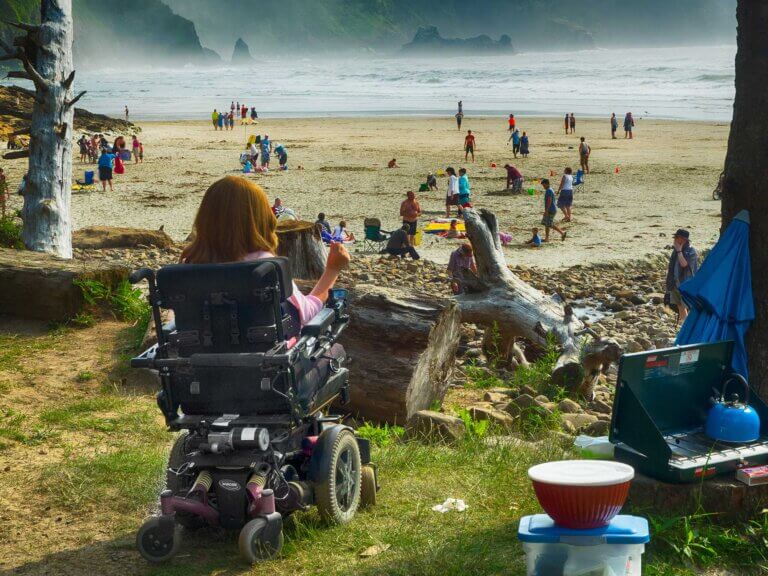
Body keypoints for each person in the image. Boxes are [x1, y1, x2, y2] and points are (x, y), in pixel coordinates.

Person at [181, 176, 350, 328]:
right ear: (261, 219)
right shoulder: (265, 266)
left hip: (200, 357)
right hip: (264, 359)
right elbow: (304, 315)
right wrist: (332, 270)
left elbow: (177, 316)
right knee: (337, 351)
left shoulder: (188, 265)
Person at [665, 229, 699, 325]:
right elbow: (671, 268)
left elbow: (684, 264)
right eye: (675, 237)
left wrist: (679, 251)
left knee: (686, 305)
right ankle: (683, 326)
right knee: (679, 305)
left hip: (686, 284)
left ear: (684, 240)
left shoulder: (691, 251)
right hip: (675, 283)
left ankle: (687, 326)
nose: (675, 240)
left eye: (677, 238)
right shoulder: (675, 251)